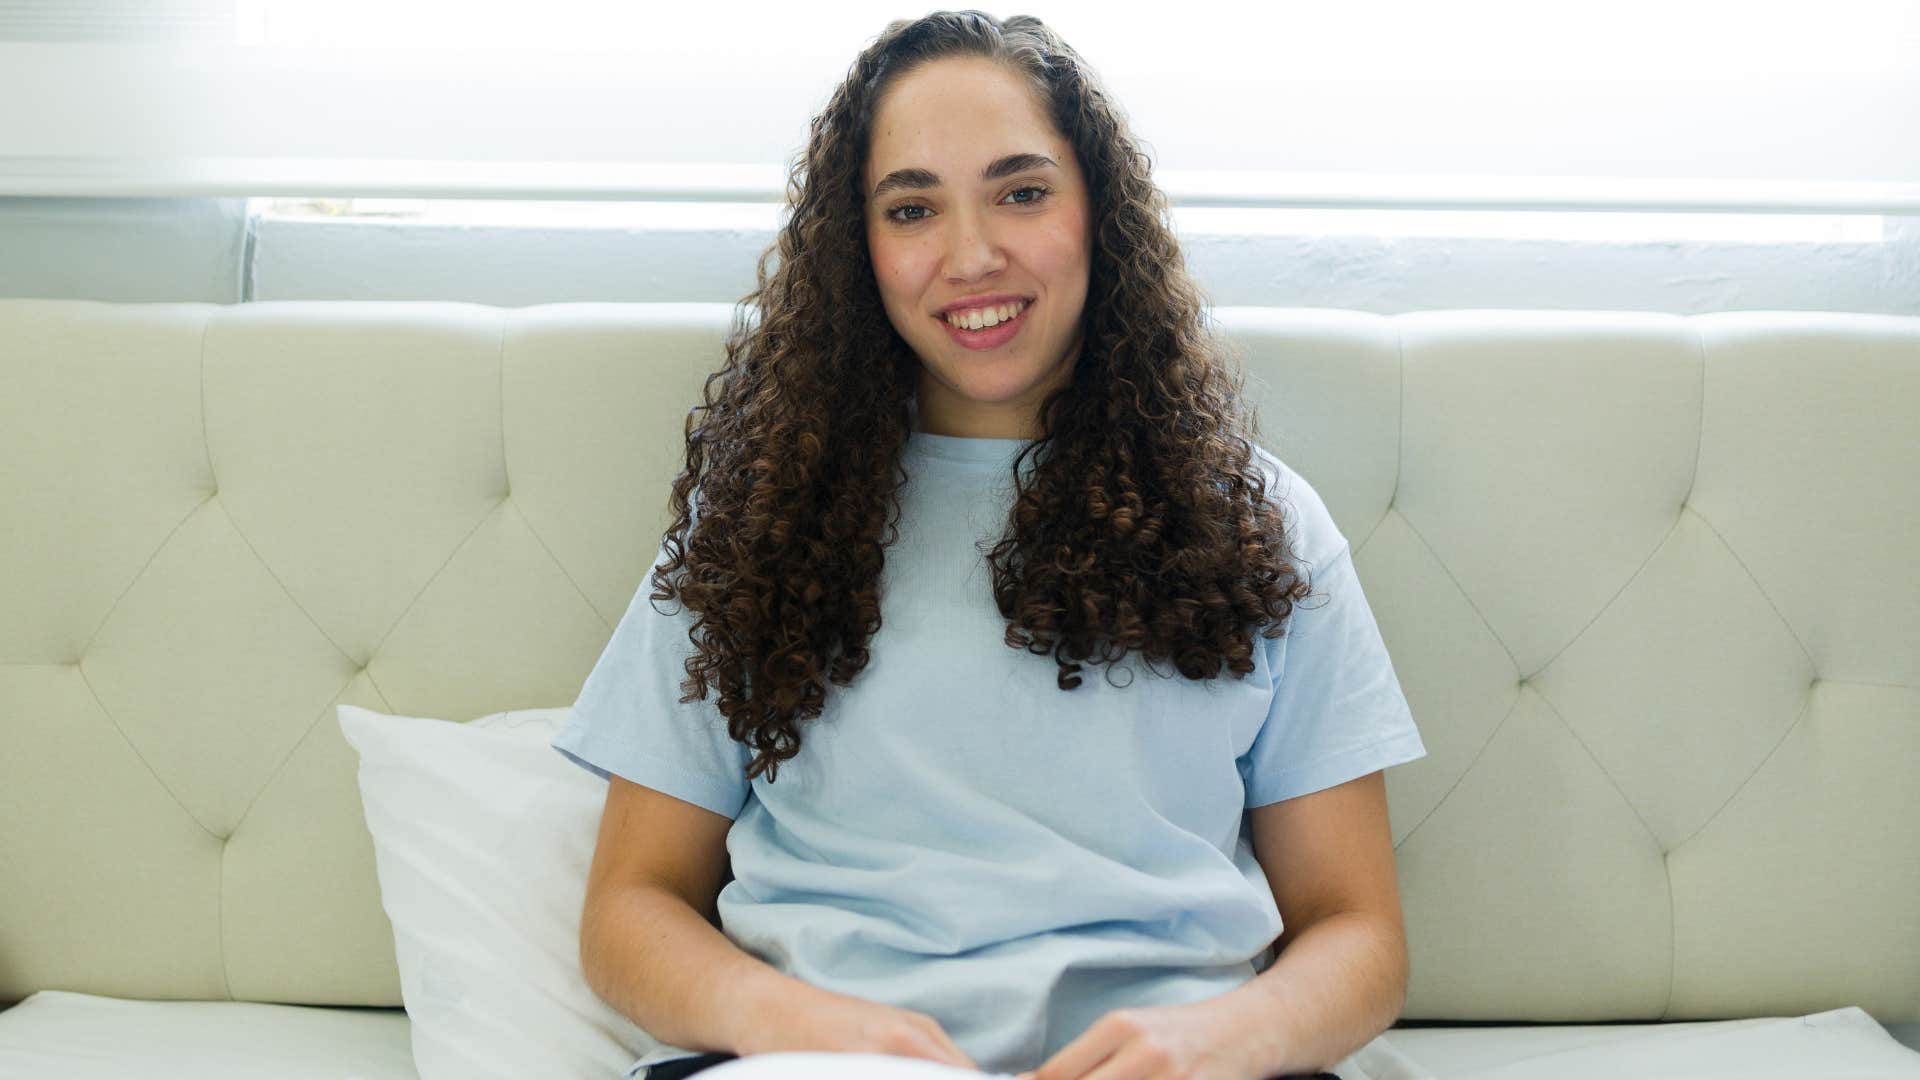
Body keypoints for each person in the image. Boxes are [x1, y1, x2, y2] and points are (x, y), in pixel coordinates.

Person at [551, 10, 1427, 1080]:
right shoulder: (756, 521)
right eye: (912, 208)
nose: (971, 256)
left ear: (1097, 213)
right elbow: (629, 910)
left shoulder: (1262, 520)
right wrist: (793, 1022)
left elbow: (1359, 935)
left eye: (1021, 192)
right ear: (856, 249)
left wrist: (1211, 1041)